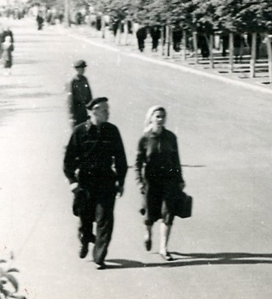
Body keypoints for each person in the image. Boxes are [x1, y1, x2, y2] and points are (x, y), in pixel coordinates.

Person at [63, 97, 128, 269]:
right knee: (86, 218)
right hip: (85, 183)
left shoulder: (112, 131)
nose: (108, 113)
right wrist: (72, 182)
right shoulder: (79, 132)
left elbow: (121, 158)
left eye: (108, 110)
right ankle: (85, 239)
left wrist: (121, 181)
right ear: (94, 111)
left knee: (105, 220)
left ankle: (99, 256)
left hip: (106, 181)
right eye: (105, 110)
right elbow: (68, 160)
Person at [134, 106, 184, 261]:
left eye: (163, 116)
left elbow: (176, 160)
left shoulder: (171, 137)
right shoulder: (144, 139)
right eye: (158, 117)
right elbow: (137, 163)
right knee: (150, 214)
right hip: (151, 182)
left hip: (169, 181)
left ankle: (164, 248)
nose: (161, 120)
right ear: (151, 118)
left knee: (168, 213)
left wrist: (180, 179)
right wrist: (140, 182)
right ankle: (148, 233)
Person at [68, 60, 93, 128]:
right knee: (77, 128)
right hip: (76, 109)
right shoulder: (73, 81)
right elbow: (70, 99)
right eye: (81, 68)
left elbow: (88, 93)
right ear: (76, 69)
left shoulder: (85, 79)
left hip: (83, 108)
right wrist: (71, 115)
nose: (83, 70)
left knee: (85, 127)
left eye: (83, 68)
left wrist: (91, 106)